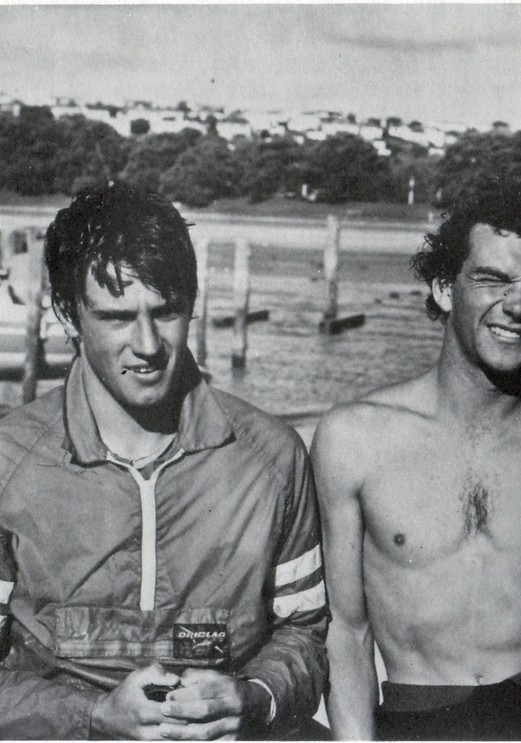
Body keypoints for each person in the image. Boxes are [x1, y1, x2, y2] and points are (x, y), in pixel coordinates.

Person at [312, 181, 521, 740]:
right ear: (445, 288)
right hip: (420, 718)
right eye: (492, 280)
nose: (516, 306)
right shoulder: (354, 437)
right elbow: (346, 630)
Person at [0, 183, 328, 739]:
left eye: (167, 312)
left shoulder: (273, 458)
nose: (148, 345)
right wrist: (93, 716)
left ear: (193, 302)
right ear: (66, 312)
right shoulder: (9, 461)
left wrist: (254, 696)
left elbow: (305, 634)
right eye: (118, 316)